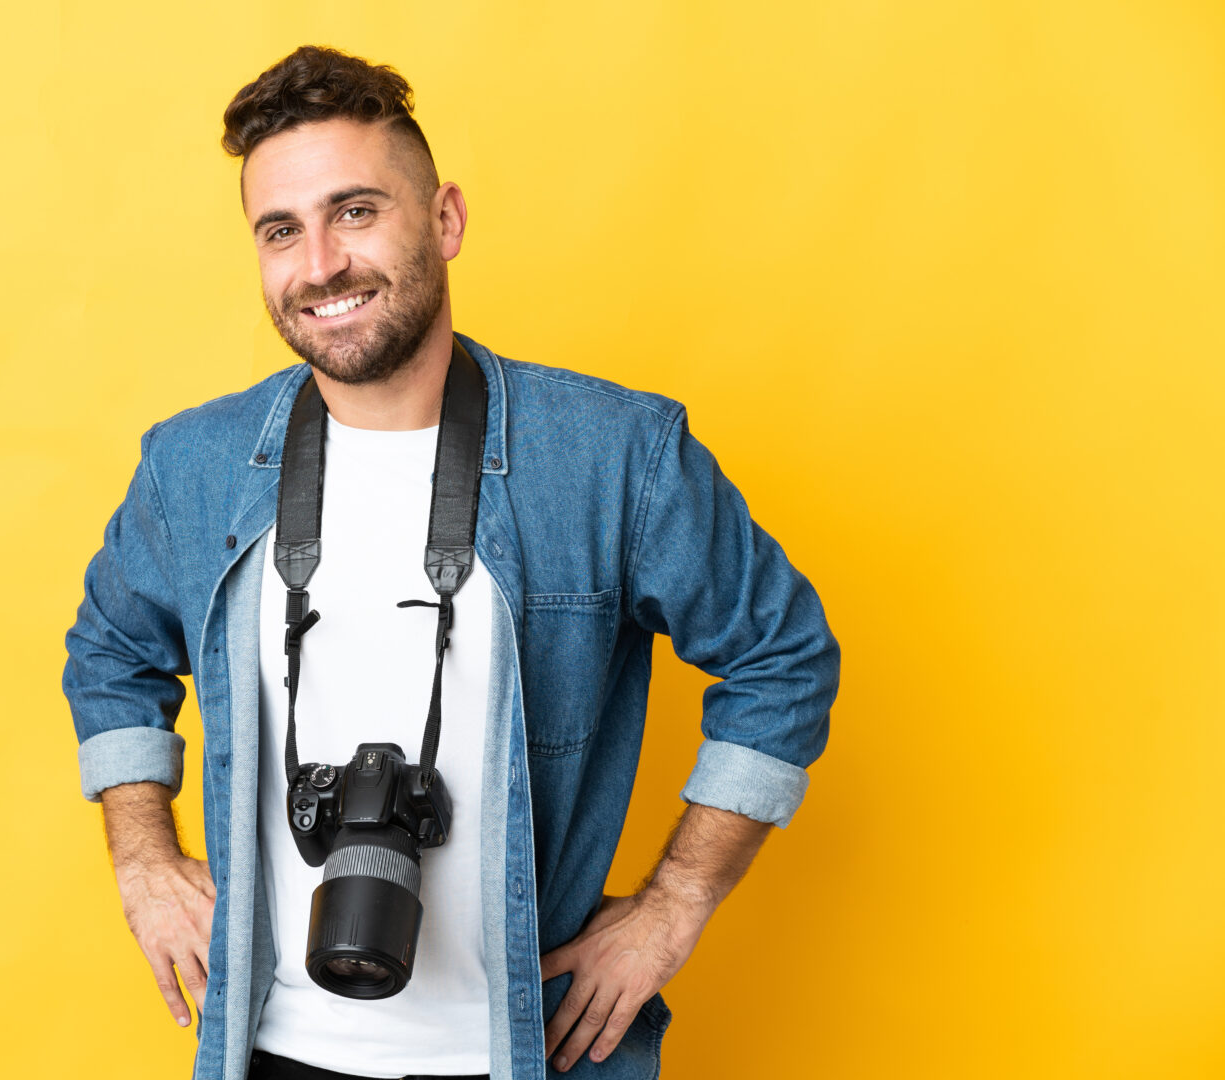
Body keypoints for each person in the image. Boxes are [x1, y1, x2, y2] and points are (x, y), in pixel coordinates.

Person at [62, 45, 840, 1080]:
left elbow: (782, 656)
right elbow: (109, 653)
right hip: (266, 1046)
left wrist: (676, 901)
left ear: (445, 221)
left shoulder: (614, 455)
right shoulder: (191, 466)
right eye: (280, 230)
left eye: (354, 211)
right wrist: (143, 859)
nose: (319, 265)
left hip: (528, 1048)